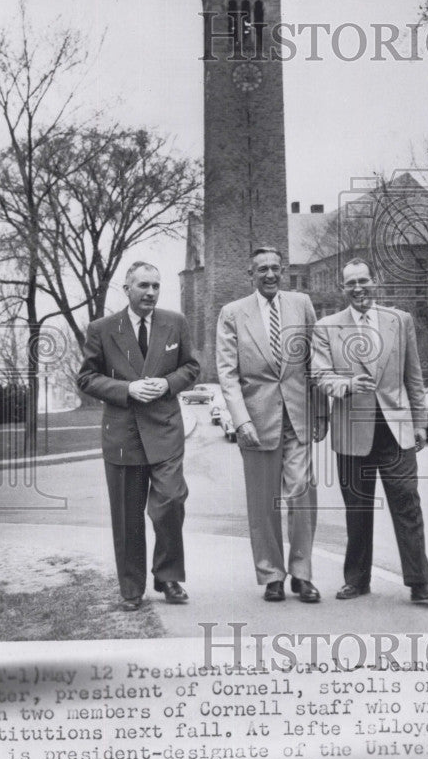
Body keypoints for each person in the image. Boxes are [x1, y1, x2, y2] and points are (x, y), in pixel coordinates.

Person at [312, 257, 428, 603]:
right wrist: (347, 383)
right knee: (357, 509)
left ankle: (421, 583)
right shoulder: (327, 326)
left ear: (376, 281)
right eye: (350, 283)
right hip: (351, 431)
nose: (358, 288)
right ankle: (357, 580)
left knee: (407, 503)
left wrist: (420, 423)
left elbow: (413, 377)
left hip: (395, 430)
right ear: (343, 289)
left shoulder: (399, 321)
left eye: (363, 281)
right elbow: (320, 375)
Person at [77, 261, 200, 611]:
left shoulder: (175, 322)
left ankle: (168, 575)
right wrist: (127, 388)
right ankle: (131, 588)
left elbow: (191, 367)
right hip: (123, 435)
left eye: (155, 286)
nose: (150, 293)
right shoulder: (102, 329)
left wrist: (167, 383)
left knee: (171, 502)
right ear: (126, 289)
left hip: (165, 430)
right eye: (143, 285)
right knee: (128, 516)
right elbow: (86, 378)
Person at [216, 247, 328, 602]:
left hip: (298, 416)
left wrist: (321, 413)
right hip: (257, 422)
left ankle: (302, 574)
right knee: (263, 504)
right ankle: (271, 575)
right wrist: (240, 420)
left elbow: (316, 363)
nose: (269, 275)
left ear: (284, 271)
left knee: (301, 495)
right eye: (262, 269)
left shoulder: (302, 305)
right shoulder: (232, 313)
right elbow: (227, 374)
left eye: (275, 269)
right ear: (250, 274)